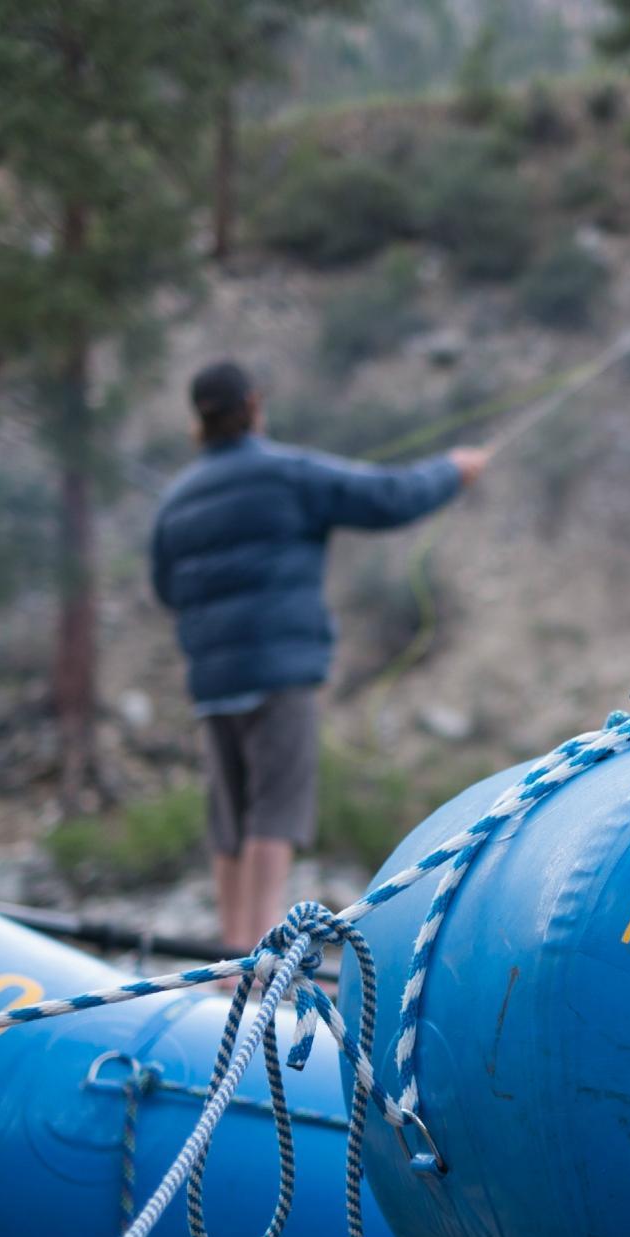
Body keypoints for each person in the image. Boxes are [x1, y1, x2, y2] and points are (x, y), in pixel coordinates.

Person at [150, 361, 489, 951]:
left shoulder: (175, 500)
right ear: (253, 405)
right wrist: (452, 473)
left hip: (212, 680)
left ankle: (229, 958)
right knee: (273, 813)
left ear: (197, 422)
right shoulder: (288, 474)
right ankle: (257, 959)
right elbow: (389, 498)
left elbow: (164, 588)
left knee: (229, 819)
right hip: (279, 674)